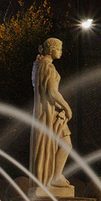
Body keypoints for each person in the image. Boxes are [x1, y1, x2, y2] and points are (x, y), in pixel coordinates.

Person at [30, 37, 72, 189]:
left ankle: (54, 176)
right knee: (66, 143)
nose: (61, 52)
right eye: (59, 49)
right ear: (52, 50)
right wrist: (67, 107)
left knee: (62, 143)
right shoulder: (48, 67)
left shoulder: (38, 65)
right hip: (49, 111)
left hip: (44, 111)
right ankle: (55, 176)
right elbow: (52, 92)